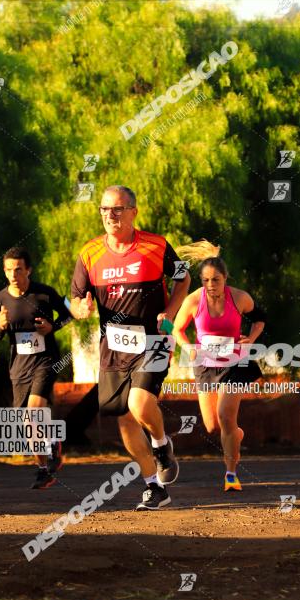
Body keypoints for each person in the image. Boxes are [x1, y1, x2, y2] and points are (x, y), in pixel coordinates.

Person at [70, 185, 190, 511]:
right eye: (105, 209)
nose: (111, 215)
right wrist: (80, 309)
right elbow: (77, 298)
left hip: (153, 339)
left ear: (134, 212)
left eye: (118, 209)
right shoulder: (89, 253)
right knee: (123, 420)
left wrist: (173, 309)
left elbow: (183, 278)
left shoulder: (156, 245)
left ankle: (161, 443)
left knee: (139, 403)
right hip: (113, 347)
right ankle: (154, 487)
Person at [173, 241, 266, 492]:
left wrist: (251, 337)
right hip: (204, 364)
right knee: (213, 426)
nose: (211, 286)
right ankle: (236, 435)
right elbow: (176, 329)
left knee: (226, 416)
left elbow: (260, 318)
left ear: (225, 278)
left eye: (216, 280)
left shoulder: (239, 298)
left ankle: (231, 474)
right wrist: (187, 346)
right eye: (205, 281)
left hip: (234, 362)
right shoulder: (193, 301)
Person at [0, 247, 72, 489]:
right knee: (27, 423)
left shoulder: (44, 294)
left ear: (29, 270)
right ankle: (44, 468)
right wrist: (1, 326)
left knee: (34, 413)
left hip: (46, 360)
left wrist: (52, 326)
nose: (13, 274)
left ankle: (50, 449)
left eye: (18, 269)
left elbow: (69, 314)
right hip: (19, 368)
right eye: (8, 270)